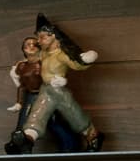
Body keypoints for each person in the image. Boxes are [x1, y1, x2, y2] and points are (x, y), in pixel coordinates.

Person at [5, 14, 99, 153]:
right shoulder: (44, 53)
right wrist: (17, 68)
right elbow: (30, 59)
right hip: (46, 90)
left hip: (58, 91)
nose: (39, 41)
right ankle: (27, 140)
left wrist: (86, 59)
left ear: (53, 36)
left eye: (42, 37)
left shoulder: (61, 54)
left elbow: (77, 65)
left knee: (74, 115)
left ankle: (93, 136)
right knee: (36, 115)